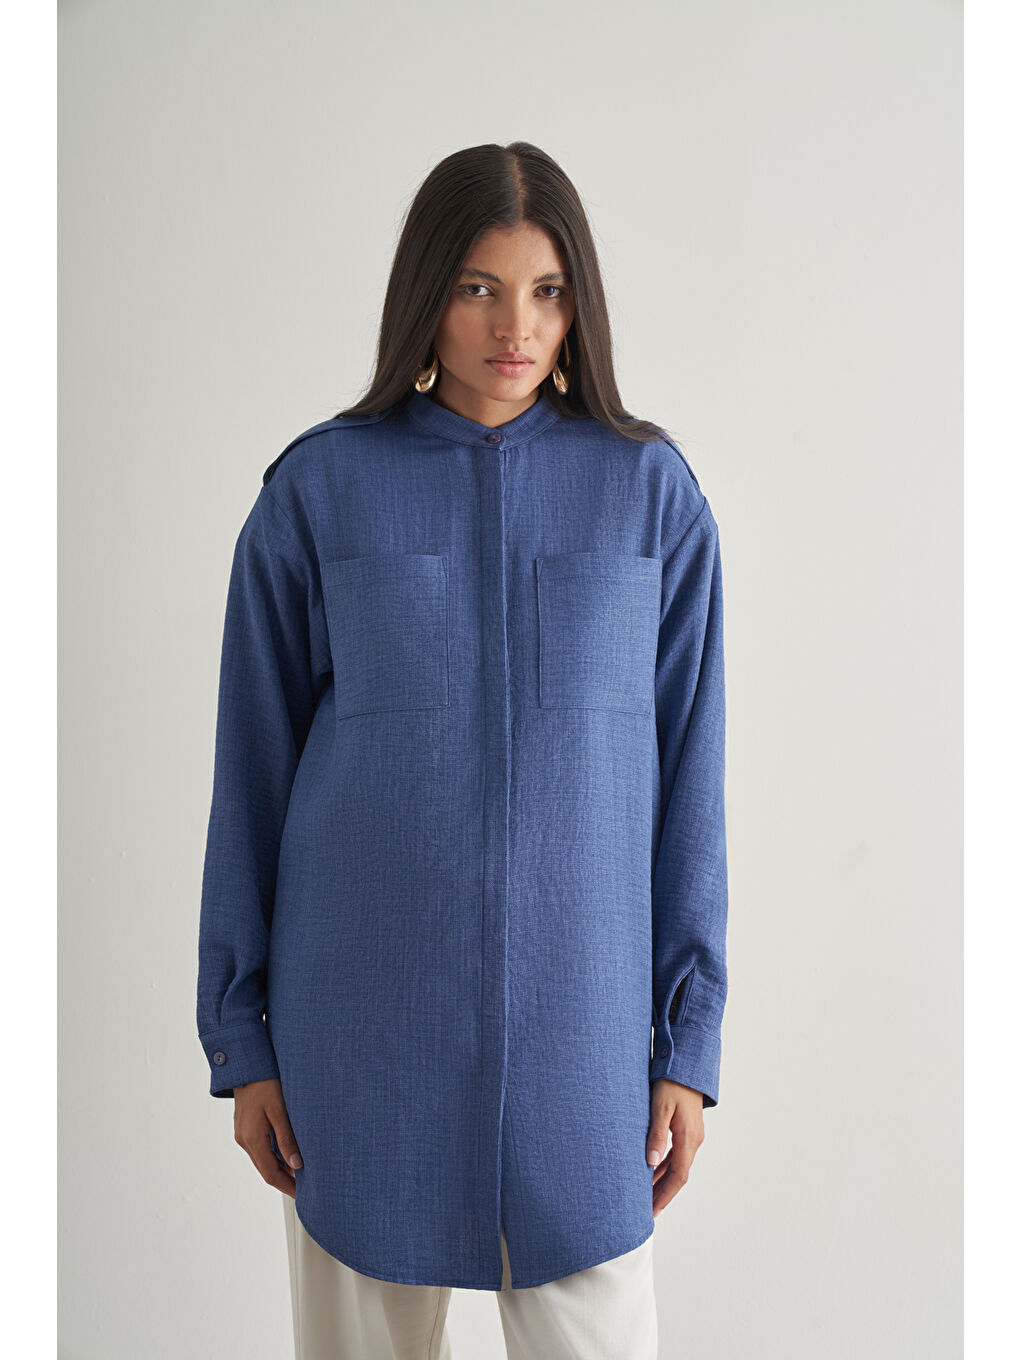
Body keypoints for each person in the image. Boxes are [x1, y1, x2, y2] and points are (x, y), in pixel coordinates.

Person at [196, 140, 729, 1360]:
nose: (515, 326)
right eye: (479, 286)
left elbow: (690, 791)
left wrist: (688, 1044)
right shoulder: (318, 491)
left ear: (579, 303)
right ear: (427, 292)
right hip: (359, 1050)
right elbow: (252, 776)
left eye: (546, 290)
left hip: (584, 1053)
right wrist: (243, 1038)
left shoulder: (652, 495)